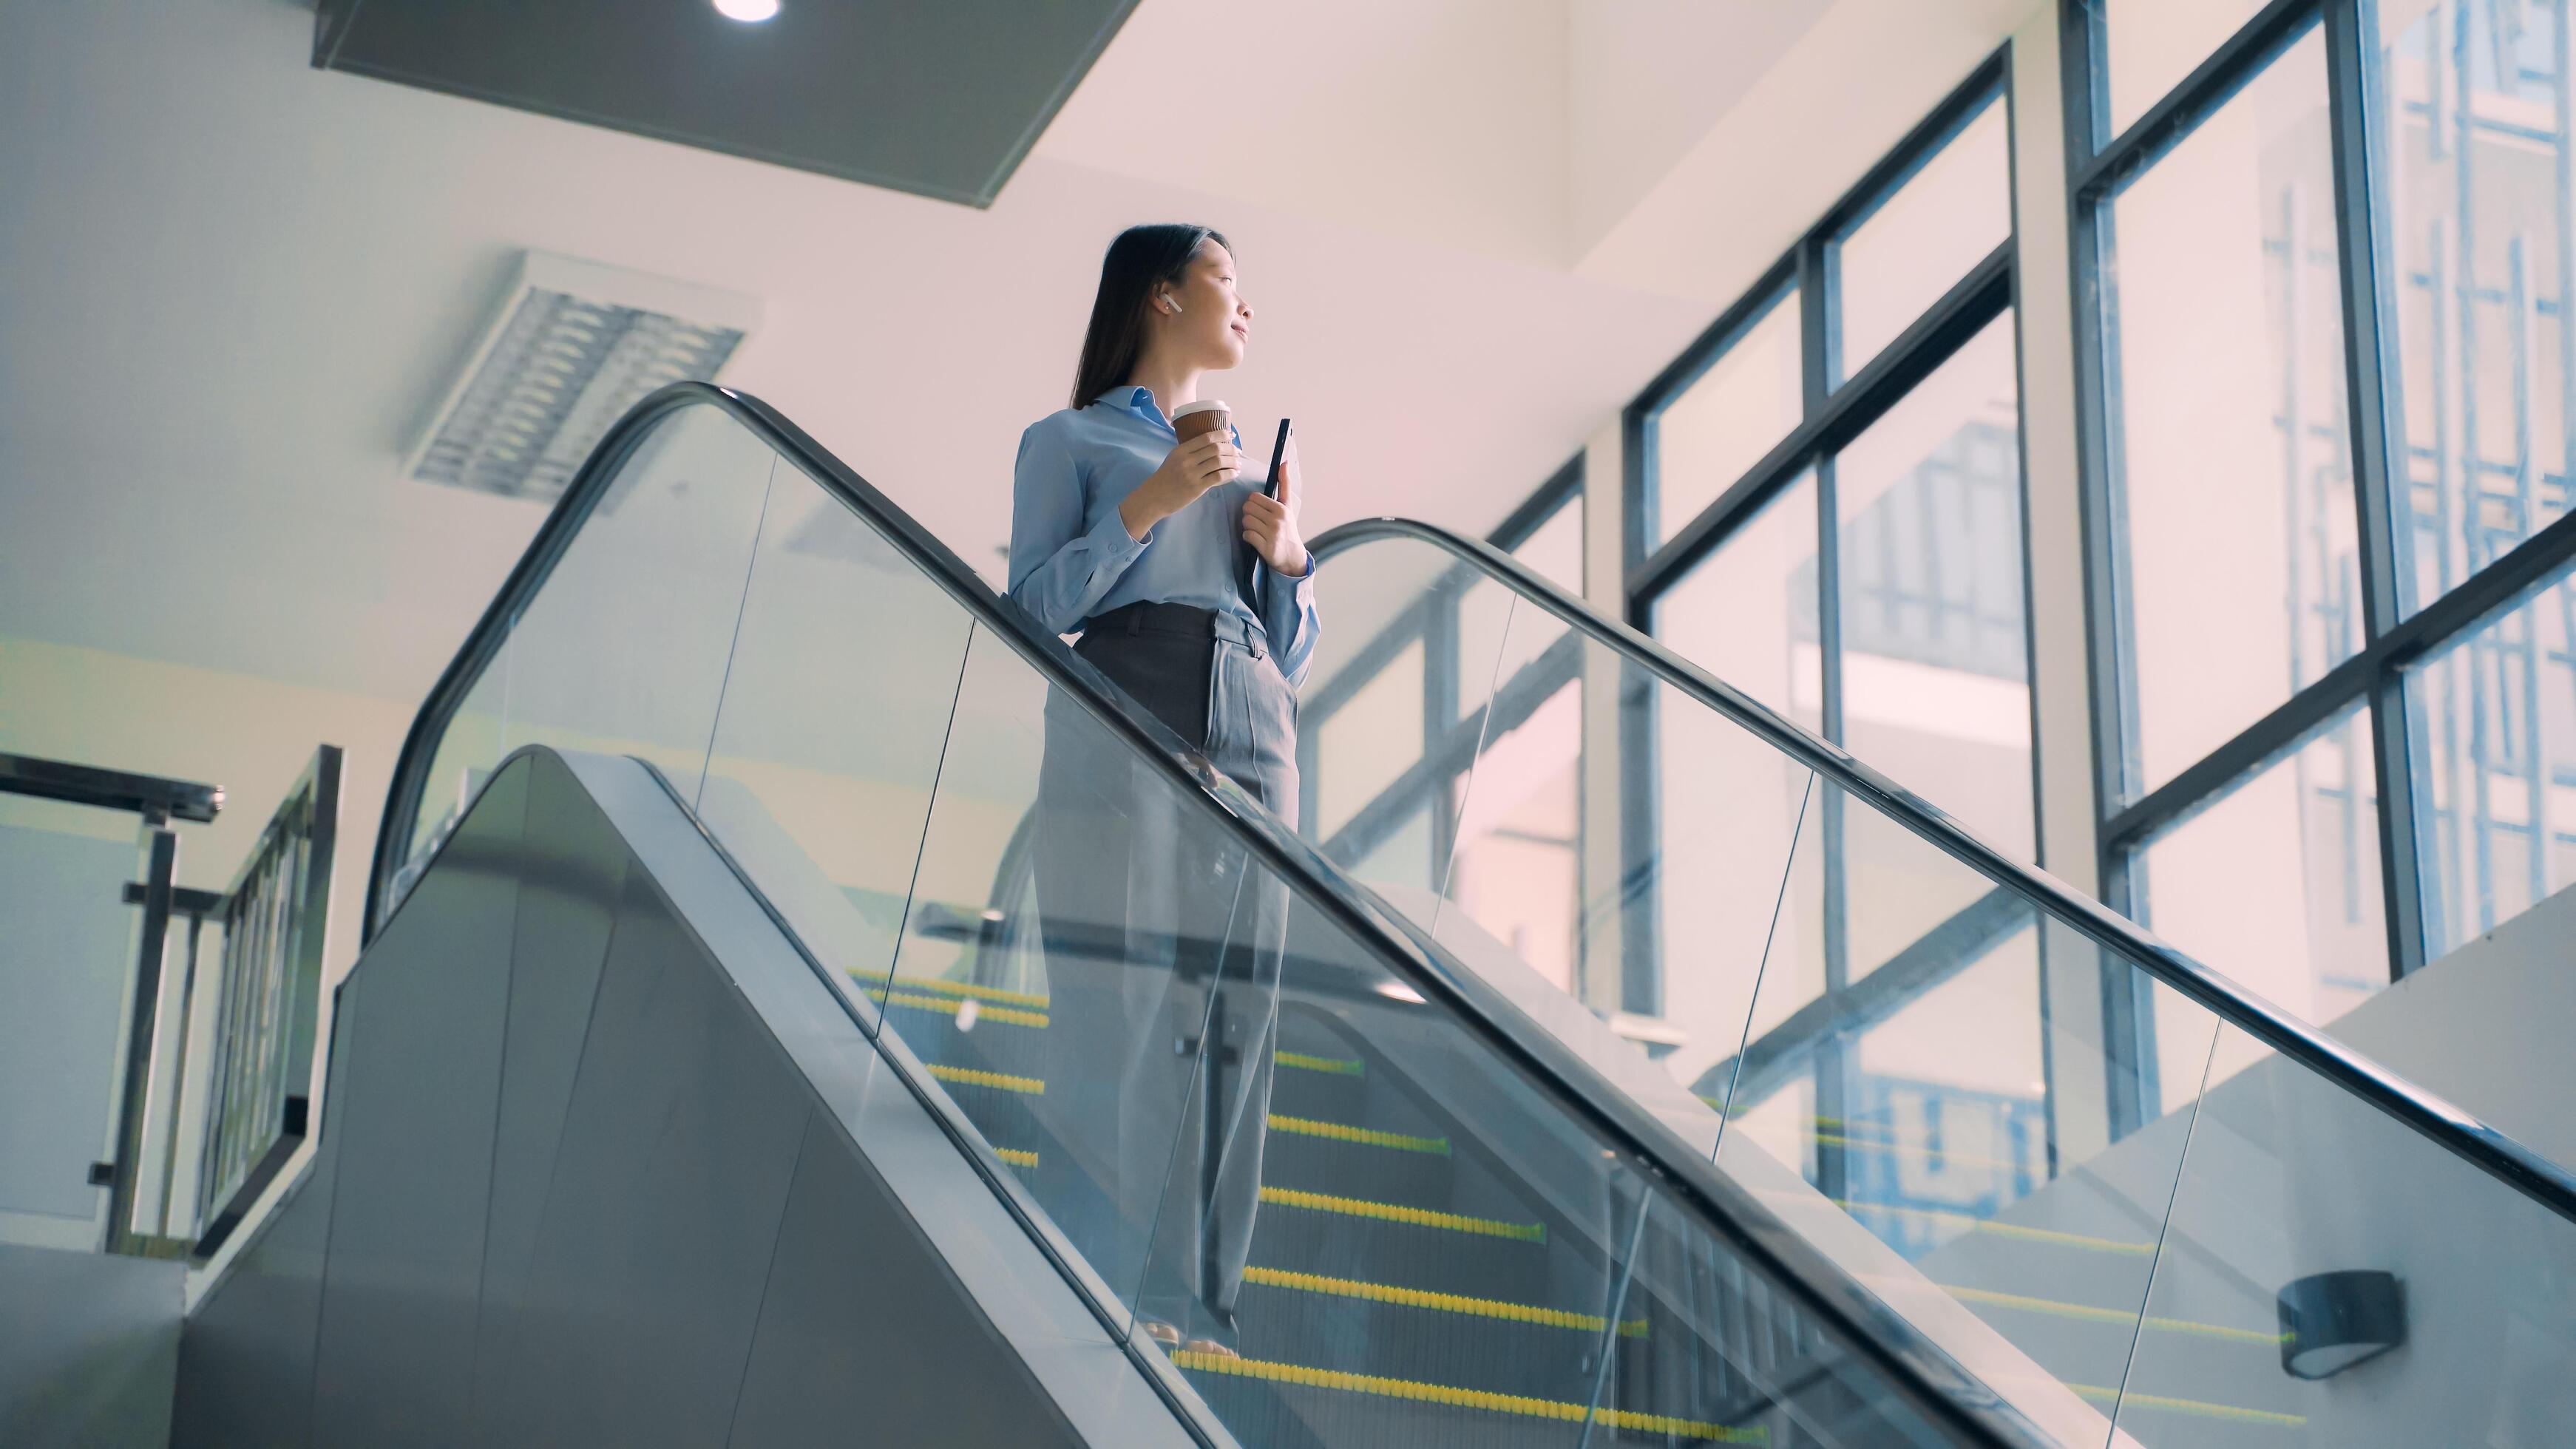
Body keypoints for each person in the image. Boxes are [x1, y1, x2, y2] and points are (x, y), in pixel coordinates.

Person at [1006, 224, 1316, 1358]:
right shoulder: (1071, 439)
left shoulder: (1249, 459)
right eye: (1227, 280)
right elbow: (1029, 613)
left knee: (1240, 1014)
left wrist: (1287, 562)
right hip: (1123, 691)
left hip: (1253, 716)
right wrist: (1147, 506)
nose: (1246, 307)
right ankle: (1092, 1274)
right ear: (1161, 295)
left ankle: (1207, 1309)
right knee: (1118, 998)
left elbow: (1292, 651)